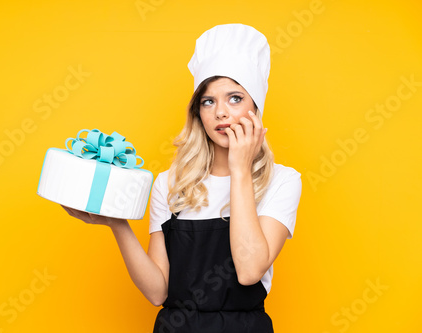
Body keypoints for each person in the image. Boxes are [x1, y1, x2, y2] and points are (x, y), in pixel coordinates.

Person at [62, 23, 302, 333]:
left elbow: (249, 271)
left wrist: (240, 169)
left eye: (235, 98)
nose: (220, 113)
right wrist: (117, 224)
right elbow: (157, 291)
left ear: (256, 108)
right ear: (198, 113)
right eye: (208, 101)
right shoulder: (170, 183)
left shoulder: (282, 180)